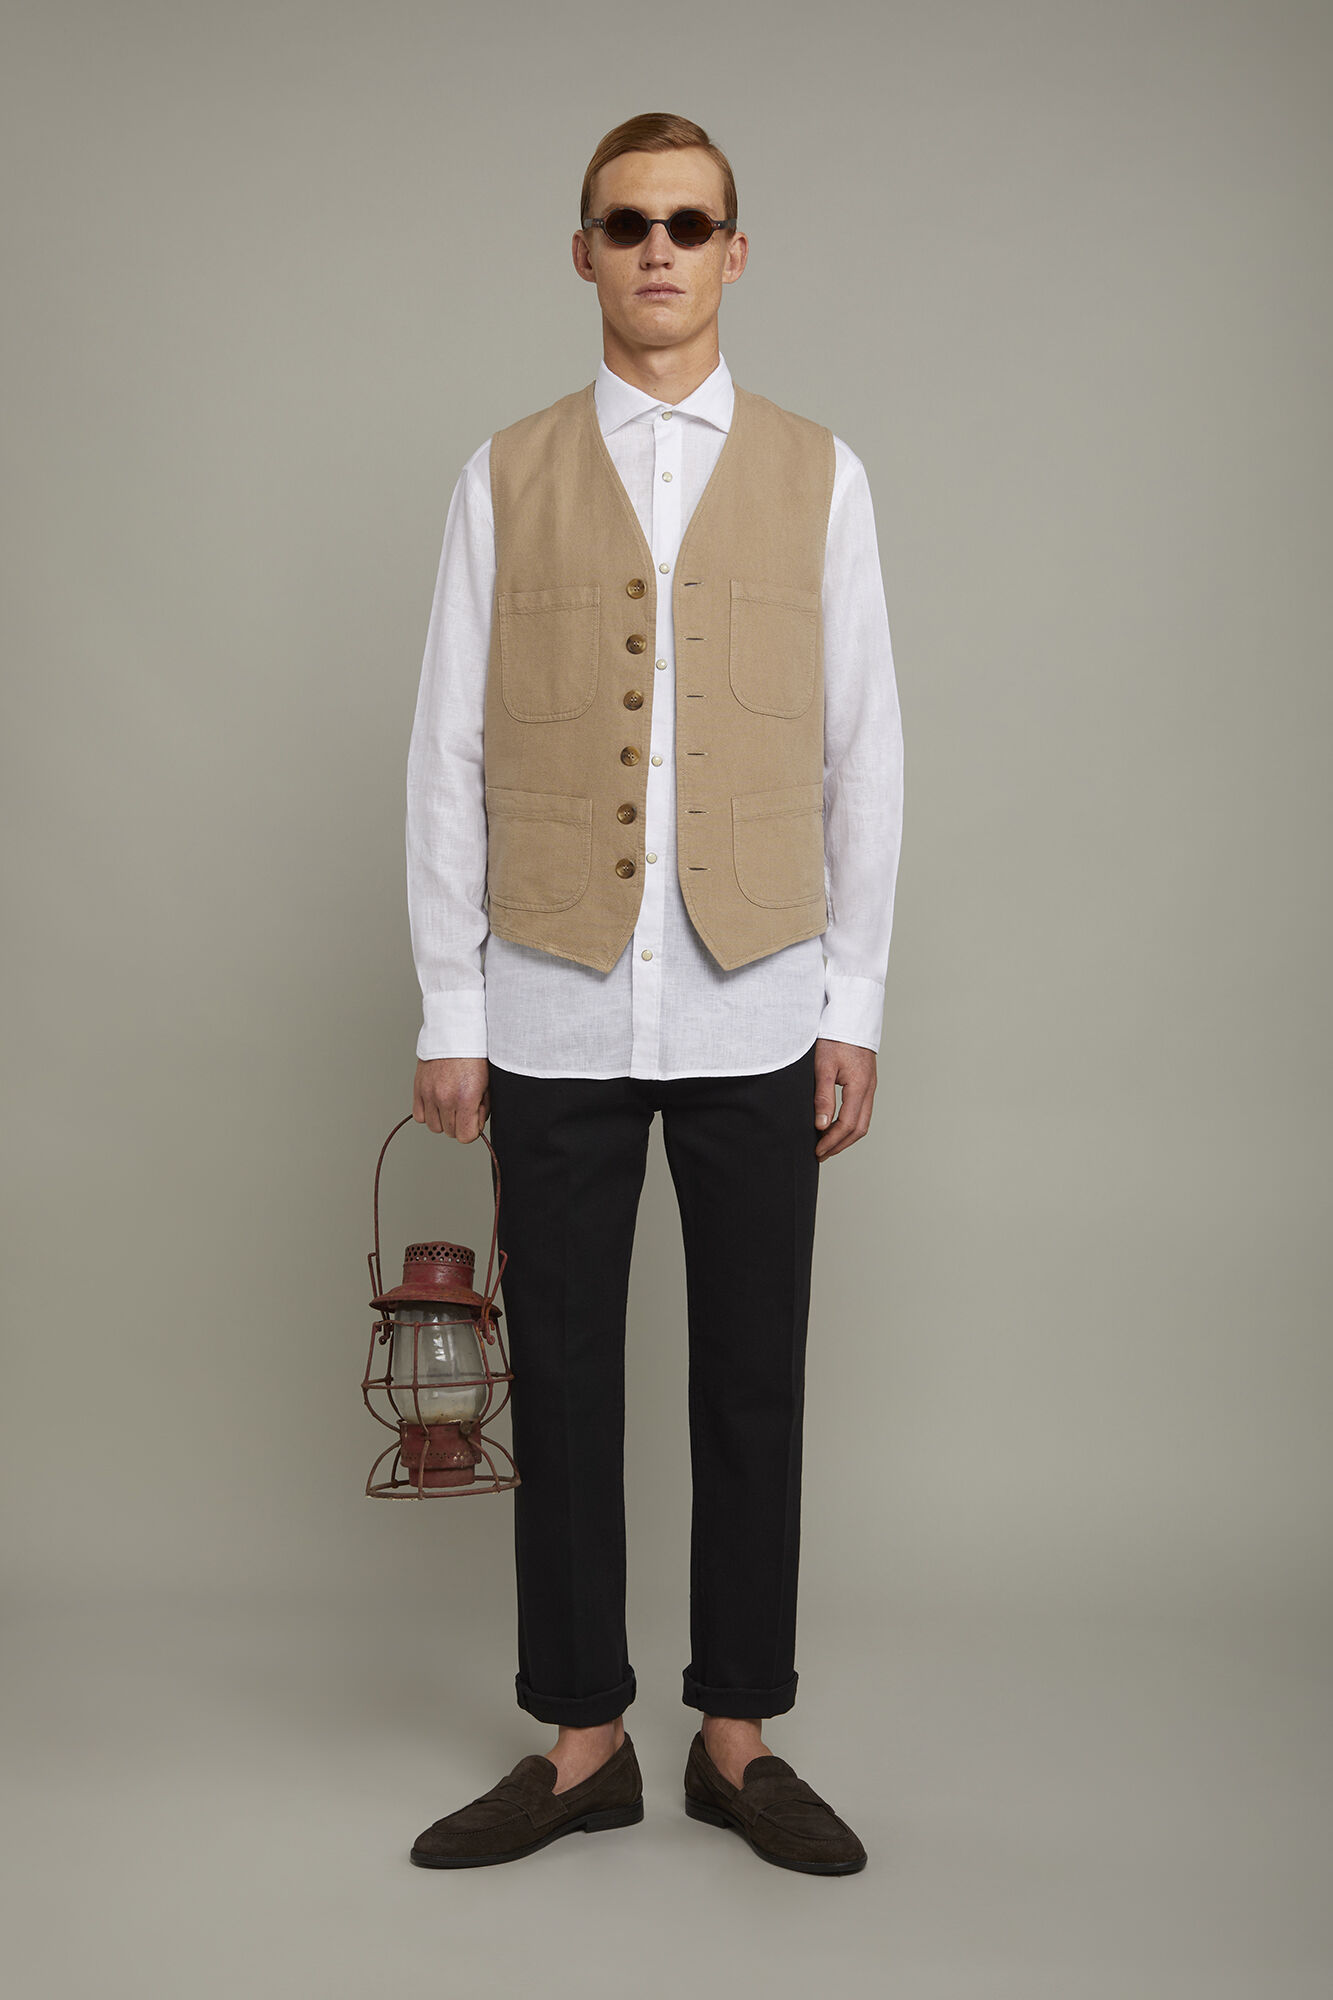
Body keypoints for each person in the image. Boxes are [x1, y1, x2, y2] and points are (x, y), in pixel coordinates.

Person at [402, 111, 903, 1874]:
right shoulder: (503, 474)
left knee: (753, 1379)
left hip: (756, 1001)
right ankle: (582, 1738)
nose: (660, 251)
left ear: (734, 252)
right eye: (628, 224)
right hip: (548, 1003)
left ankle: (738, 1737)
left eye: (690, 224)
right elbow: (445, 753)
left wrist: (853, 999)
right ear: (585, 253)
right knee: (565, 1381)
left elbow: (863, 751)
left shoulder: (821, 474)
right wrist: (451, 1011)